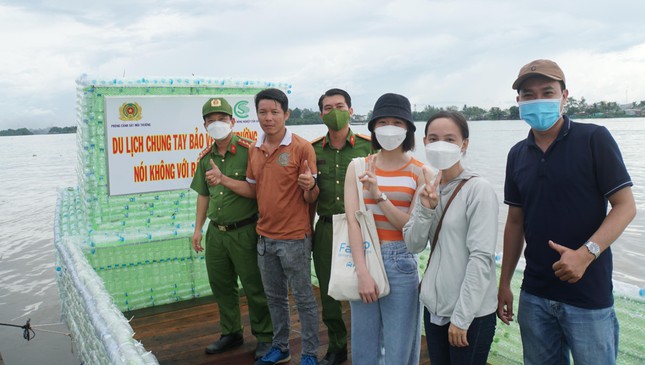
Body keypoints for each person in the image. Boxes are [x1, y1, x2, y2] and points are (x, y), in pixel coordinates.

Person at [497, 59, 637, 365]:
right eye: (528, 95)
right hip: (534, 294)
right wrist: (505, 283)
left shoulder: (593, 138)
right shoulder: (517, 154)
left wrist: (586, 254)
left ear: (564, 96)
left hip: (588, 297)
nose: (538, 101)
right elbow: (515, 222)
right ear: (518, 102)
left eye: (547, 92)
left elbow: (626, 206)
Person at [225, 88, 320, 365]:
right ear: (256, 115)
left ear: (286, 114)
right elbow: (254, 190)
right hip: (264, 238)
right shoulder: (254, 150)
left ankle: (311, 353)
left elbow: (312, 196)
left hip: (294, 238)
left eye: (274, 112)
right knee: (275, 298)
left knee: (304, 299)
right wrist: (224, 180)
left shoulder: (302, 147)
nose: (268, 118)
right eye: (262, 112)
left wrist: (310, 186)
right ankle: (281, 347)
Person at [403, 111, 498, 364]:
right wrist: (427, 208)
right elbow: (413, 244)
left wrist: (461, 318)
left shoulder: (479, 190)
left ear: (464, 144)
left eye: (450, 139)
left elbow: (481, 258)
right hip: (434, 308)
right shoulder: (428, 189)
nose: (440, 145)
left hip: (470, 314)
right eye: (433, 138)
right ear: (424, 142)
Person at [190, 97, 273, 360]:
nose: (217, 124)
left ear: (233, 121)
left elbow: (260, 191)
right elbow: (203, 195)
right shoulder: (205, 158)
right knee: (221, 285)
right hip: (216, 232)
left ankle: (265, 336)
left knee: (254, 286)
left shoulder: (251, 151)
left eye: (222, 119)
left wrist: (224, 179)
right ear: (204, 125)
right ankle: (231, 332)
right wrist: (197, 229)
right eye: (211, 120)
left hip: (246, 231)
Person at [344, 93, 423, 365]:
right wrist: (362, 271)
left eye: (397, 122)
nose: (390, 128)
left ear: (408, 129)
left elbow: (411, 229)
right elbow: (353, 221)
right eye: (384, 121)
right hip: (363, 256)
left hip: (401, 261)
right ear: (374, 128)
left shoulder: (422, 172)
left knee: (399, 348)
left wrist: (379, 195)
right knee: (364, 348)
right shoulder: (357, 167)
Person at [311, 88, 373, 365]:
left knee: (367, 285)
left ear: (350, 110)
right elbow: (308, 195)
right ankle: (337, 346)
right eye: (327, 107)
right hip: (326, 228)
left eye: (339, 106)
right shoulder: (311, 150)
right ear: (321, 113)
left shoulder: (369, 145)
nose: (333, 111)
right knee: (329, 290)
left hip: (360, 225)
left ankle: (368, 346)